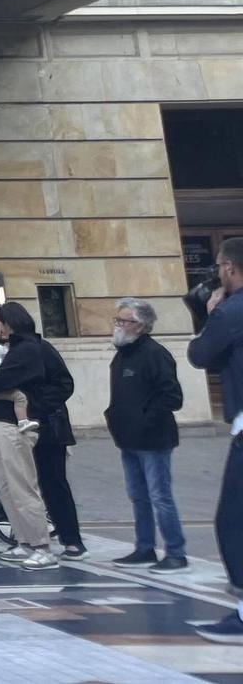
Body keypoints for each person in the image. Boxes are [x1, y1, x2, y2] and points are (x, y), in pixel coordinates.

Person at [0, 302, 59, 569]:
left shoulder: (27, 349)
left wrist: (36, 407)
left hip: (13, 424)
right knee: (6, 486)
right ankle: (24, 541)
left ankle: (41, 545)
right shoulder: (9, 349)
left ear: (11, 323)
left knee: (22, 485)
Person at [188, 238, 243, 643]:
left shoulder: (230, 312)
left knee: (233, 522)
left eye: (221, 265)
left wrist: (207, 314)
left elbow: (200, 355)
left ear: (230, 268)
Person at [106, 297, 186, 570]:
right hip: (129, 439)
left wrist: (145, 420)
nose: (118, 325)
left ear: (140, 326)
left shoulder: (154, 354)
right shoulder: (122, 354)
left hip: (152, 439)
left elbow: (172, 396)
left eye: (123, 321)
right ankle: (144, 547)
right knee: (138, 496)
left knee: (159, 496)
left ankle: (176, 552)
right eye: (117, 320)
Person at [29, 319, 84, 559]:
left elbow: (64, 384)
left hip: (50, 428)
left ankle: (72, 540)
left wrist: (35, 406)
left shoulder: (41, 349)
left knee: (54, 483)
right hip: (31, 428)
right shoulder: (8, 352)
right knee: (41, 484)